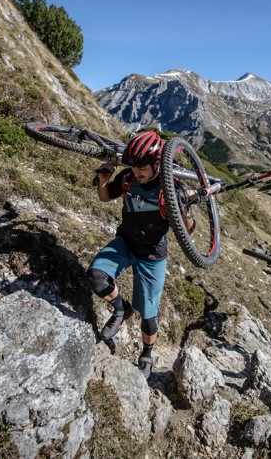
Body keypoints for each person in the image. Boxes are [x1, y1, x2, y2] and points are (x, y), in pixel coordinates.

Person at [86, 130, 194, 378]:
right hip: (125, 242)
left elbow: (188, 232)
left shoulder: (171, 189)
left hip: (152, 256)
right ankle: (121, 309)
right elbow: (104, 197)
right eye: (132, 166)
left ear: (158, 164)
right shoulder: (128, 179)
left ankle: (147, 354)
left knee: (149, 317)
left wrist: (184, 207)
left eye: (142, 167)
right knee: (96, 277)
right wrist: (104, 177)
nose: (136, 172)